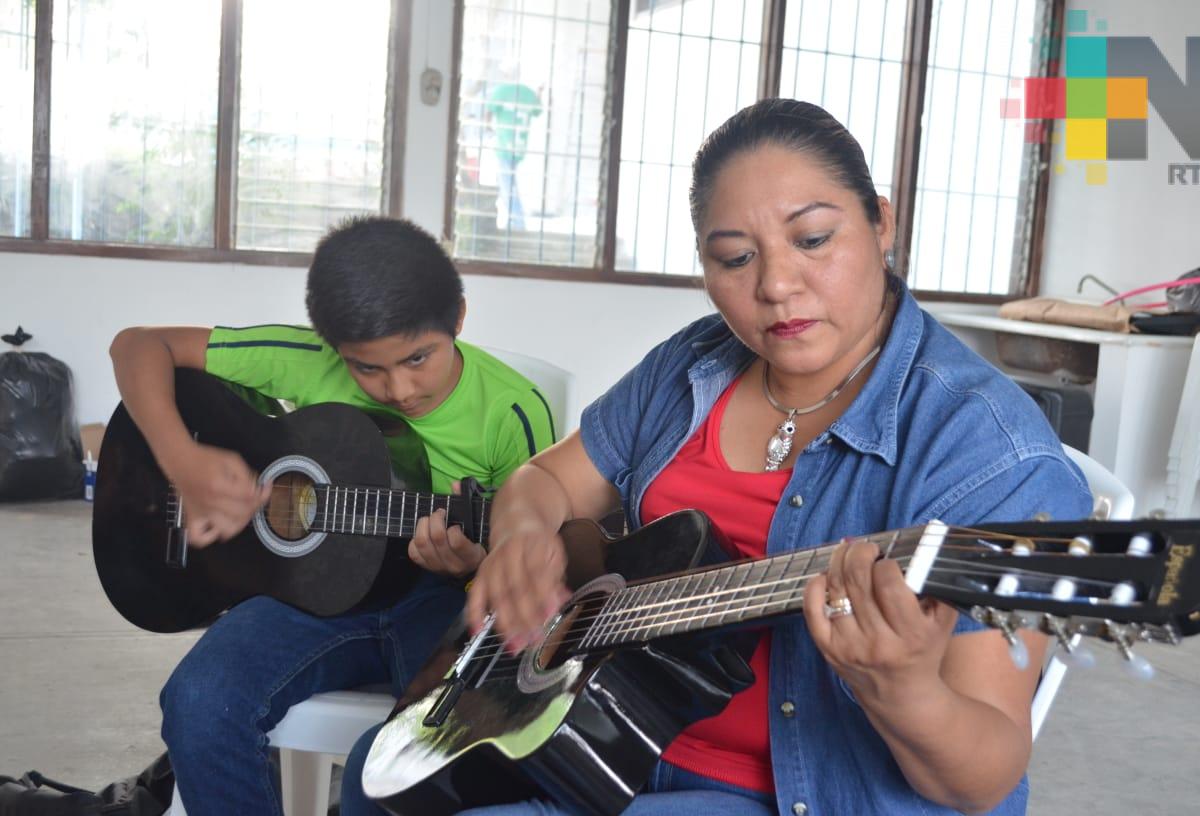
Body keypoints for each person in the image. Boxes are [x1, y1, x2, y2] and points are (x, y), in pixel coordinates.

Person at [343, 99, 1093, 815]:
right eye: (735, 257)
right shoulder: (693, 366)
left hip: (780, 793)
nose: (774, 286)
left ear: (881, 221)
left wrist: (902, 689)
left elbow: (982, 780)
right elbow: (544, 479)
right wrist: (524, 535)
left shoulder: (988, 451)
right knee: (375, 774)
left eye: (813, 239)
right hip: (605, 729)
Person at [108, 215, 556, 815]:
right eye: (366, 368)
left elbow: (530, 552)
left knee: (424, 754)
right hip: (307, 595)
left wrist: (474, 567)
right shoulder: (305, 358)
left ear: (459, 320)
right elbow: (137, 344)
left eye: (418, 358)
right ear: (334, 346)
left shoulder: (514, 411)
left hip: (443, 605)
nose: (398, 388)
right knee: (198, 701)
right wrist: (182, 458)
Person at [486, 80, 542, 231]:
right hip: (518, 148)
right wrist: (539, 94)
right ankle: (513, 220)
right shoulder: (528, 94)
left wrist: (488, 127)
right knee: (506, 185)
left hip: (505, 147)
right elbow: (537, 110)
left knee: (507, 186)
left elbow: (489, 111)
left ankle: (518, 222)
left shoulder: (501, 92)